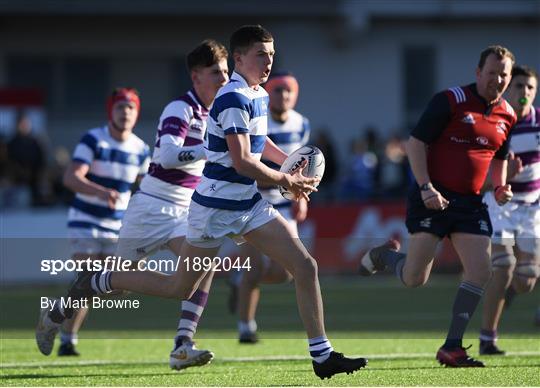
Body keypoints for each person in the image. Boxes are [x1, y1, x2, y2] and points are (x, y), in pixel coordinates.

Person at [38, 25, 366, 380]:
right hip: (188, 207)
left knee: (305, 266)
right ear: (237, 59)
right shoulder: (215, 101)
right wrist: (285, 179)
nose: (269, 60)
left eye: (272, 54)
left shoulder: (255, 95)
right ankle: (93, 285)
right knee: (174, 286)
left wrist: (289, 163)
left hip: (240, 205)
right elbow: (231, 160)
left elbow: (259, 142)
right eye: (261, 54)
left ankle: (320, 355)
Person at [37, 40, 229, 371]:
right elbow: (167, 155)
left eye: (226, 71)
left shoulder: (219, 115)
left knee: (206, 261)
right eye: (216, 72)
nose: (224, 79)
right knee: (110, 282)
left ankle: (183, 343)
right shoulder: (179, 109)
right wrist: (207, 151)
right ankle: (56, 314)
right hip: (151, 209)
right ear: (196, 76)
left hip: (186, 209)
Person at [359, 45, 517, 367]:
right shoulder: (451, 100)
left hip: (470, 203)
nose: (497, 80)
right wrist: (426, 187)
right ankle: (384, 255)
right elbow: (415, 144)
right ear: (478, 72)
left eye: (504, 74)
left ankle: (452, 346)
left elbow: (498, 158)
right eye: (492, 73)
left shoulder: (508, 115)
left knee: (481, 270)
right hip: (433, 198)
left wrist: (499, 187)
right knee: (415, 278)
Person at [37, 88, 150, 356]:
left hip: (117, 225)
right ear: (110, 111)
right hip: (85, 219)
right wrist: (102, 192)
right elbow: (71, 178)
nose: (126, 113)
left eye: (131, 108)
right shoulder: (93, 140)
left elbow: (146, 189)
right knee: (87, 278)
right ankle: (68, 339)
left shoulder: (140, 149)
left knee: (119, 285)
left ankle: (54, 314)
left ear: (137, 114)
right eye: (120, 107)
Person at [232, 71, 310, 343]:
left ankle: (238, 283)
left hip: (286, 203)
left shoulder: (301, 123)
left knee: (285, 273)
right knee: (254, 269)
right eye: (278, 90)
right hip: (258, 201)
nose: (284, 96)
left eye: (288, 90)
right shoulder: (259, 121)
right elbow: (249, 160)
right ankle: (246, 327)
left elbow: (301, 163)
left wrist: (300, 197)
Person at [479, 65, 540, 355]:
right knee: (503, 266)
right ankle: (487, 337)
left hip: (532, 209)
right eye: (519, 87)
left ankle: (503, 296)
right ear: (507, 89)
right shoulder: (495, 122)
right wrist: (503, 175)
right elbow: (477, 172)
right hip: (500, 205)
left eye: (530, 87)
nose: (525, 92)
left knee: (527, 278)